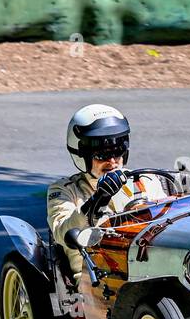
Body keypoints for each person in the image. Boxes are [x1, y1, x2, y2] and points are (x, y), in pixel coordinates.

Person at [47, 103, 166, 281]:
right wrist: (98, 199)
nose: (112, 161)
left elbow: (168, 222)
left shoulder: (144, 181)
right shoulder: (64, 190)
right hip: (96, 279)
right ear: (82, 155)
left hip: (150, 268)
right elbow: (62, 234)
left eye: (117, 151)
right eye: (102, 155)